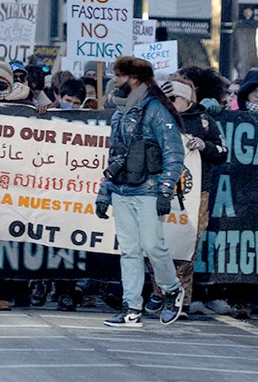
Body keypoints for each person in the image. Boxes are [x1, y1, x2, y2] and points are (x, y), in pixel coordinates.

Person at [96, 56, 186, 328]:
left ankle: (171, 290)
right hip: (123, 190)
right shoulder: (119, 112)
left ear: (133, 79)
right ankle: (131, 308)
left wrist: (166, 190)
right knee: (130, 251)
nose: (115, 82)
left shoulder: (156, 109)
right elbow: (115, 157)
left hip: (148, 189)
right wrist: (104, 192)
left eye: (119, 76)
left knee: (152, 245)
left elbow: (174, 151)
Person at [146, 79, 226, 317]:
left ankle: (182, 300)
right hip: (160, 191)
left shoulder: (203, 121)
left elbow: (222, 151)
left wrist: (204, 145)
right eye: (166, 99)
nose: (169, 103)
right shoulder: (157, 118)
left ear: (187, 100)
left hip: (195, 195)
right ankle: (160, 292)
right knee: (155, 244)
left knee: (186, 247)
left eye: (174, 99)